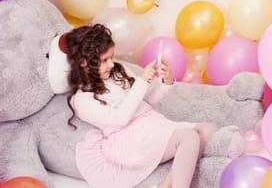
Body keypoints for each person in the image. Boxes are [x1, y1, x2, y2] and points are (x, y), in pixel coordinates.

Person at [64, 24, 218, 188]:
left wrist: (167, 82)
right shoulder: (82, 100)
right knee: (189, 136)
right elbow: (120, 118)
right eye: (104, 60)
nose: (111, 64)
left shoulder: (118, 72)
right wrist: (142, 82)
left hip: (152, 124)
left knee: (208, 129)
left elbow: (145, 102)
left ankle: (167, 182)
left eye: (111, 57)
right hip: (131, 140)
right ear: (83, 62)